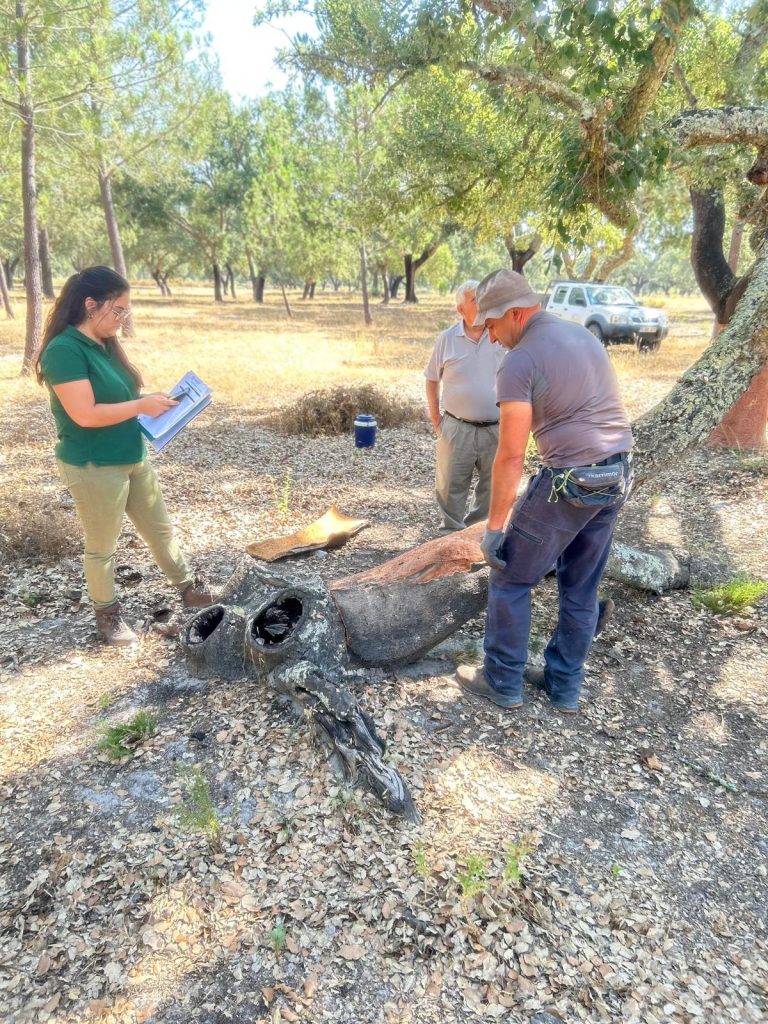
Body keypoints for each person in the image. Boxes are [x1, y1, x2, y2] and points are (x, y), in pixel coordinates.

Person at [456, 269, 633, 713]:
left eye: (492, 325)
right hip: (616, 474)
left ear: (516, 313)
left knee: (510, 576)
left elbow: (511, 454)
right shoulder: (583, 336)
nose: (491, 337)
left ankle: (501, 680)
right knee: (581, 587)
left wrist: (494, 529)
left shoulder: (519, 361)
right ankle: (564, 686)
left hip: (569, 481)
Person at [36, 266, 213, 647]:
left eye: (125, 311)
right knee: (102, 547)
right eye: (118, 310)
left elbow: (122, 398)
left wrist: (155, 404)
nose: (123, 318)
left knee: (160, 529)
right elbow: (85, 414)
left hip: (131, 453)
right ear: (90, 305)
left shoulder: (105, 343)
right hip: (94, 464)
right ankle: (108, 615)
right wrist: (140, 406)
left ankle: (188, 588)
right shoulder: (64, 351)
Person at [424, 280, 506, 531]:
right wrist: (436, 419)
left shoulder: (500, 335)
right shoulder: (447, 339)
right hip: (456, 427)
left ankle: (476, 535)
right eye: (475, 299)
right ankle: (450, 533)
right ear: (461, 309)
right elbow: (431, 379)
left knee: (492, 486)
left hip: (496, 427)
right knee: (450, 486)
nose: (482, 303)